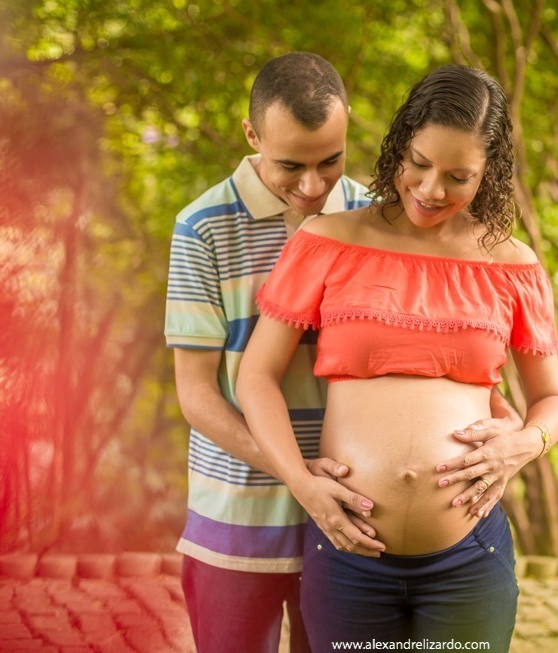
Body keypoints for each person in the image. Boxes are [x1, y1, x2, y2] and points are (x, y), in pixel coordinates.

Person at [236, 64, 558, 651]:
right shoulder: (327, 241)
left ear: (490, 173)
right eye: (418, 161)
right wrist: (302, 484)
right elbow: (256, 377)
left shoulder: (513, 266)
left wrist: (523, 444)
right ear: (398, 144)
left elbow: (552, 401)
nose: (432, 189)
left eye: (458, 175)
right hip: (348, 553)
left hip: (470, 557)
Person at [164, 52, 377, 653]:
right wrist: (297, 477)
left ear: (347, 126)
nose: (313, 187)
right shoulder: (202, 226)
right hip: (236, 522)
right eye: (291, 166)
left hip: (352, 519)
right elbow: (197, 394)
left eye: (330, 161)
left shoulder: (379, 217)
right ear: (252, 134)